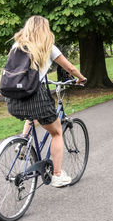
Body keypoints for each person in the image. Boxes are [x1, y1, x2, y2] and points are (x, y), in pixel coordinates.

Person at [5, 15, 87, 187]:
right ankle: (57, 175)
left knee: (31, 115)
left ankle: (23, 144)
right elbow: (70, 67)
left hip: (13, 98)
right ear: (45, 29)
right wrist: (80, 78)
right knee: (56, 132)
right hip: (35, 95)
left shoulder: (16, 45)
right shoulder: (48, 46)